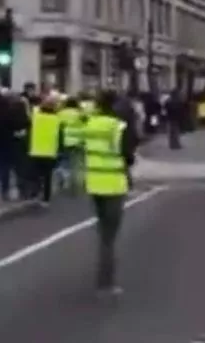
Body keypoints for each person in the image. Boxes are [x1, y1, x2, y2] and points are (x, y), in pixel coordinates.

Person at [83, 89, 137, 295]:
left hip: (94, 182)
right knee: (109, 237)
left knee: (103, 233)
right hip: (113, 183)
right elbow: (128, 155)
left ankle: (104, 279)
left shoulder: (90, 124)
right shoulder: (118, 127)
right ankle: (106, 282)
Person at [25, 95, 64, 208]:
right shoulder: (57, 120)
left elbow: (29, 132)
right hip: (50, 151)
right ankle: (46, 198)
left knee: (35, 175)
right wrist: (60, 150)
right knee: (47, 176)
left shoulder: (35, 117)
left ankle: (34, 194)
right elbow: (60, 137)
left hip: (35, 149)